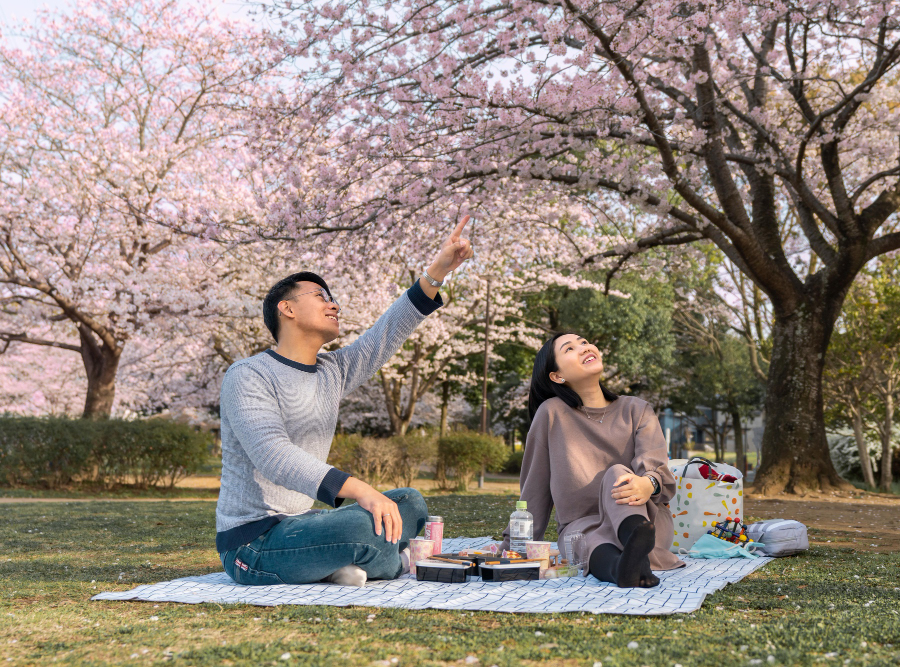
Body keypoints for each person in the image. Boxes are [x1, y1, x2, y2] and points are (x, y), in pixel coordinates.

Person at [216, 217, 473, 586]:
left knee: (409, 502)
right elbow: (273, 456)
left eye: (332, 297)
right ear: (286, 309)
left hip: (301, 524)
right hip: (252, 543)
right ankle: (393, 562)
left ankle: (343, 562)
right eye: (320, 297)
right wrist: (362, 491)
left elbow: (386, 334)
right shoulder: (248, 375)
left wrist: (439, 270)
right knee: (360, 523)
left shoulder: (331, 370)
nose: (333, 304)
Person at [503, 332, 683, 587]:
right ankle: (623, 568)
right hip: (582, 527)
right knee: (580, 541)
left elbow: (657, 470)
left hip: (644, 517)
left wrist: (647, 484)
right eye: (569, 348)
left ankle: (635, 538)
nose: (584, 348)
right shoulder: (551, 414)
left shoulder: (637, 410)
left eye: (584, 342)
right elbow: (535, 489)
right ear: (557, 376)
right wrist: (512, 547)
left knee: (617, 474)